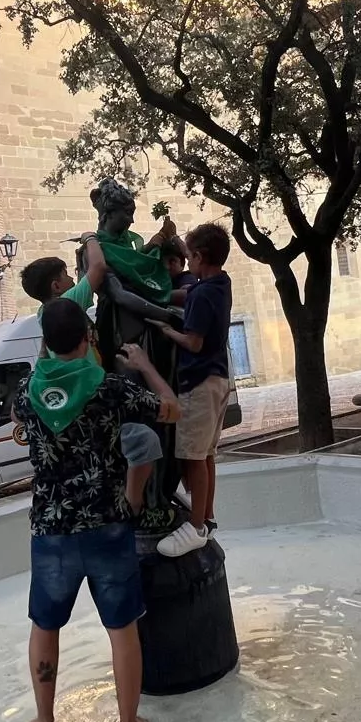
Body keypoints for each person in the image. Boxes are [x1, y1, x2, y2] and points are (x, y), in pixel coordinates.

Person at [13, 299, 180, 722]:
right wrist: (145, 364)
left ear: (45, 342)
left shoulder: (25, 391)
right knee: (121, 629)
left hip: (51, 530)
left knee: (45, 626)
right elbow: (170, 409)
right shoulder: (109, 388)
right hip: (107, 525)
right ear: (88, 340)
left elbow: (19, 421)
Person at [18, 241, 161, 513]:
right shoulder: (67, 304)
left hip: (76, 396)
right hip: (91, 390)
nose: (73, 279)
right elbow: (97, 268)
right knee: (145, 438)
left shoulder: (45, 315)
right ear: (56, 287)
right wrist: (90, 239)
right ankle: (134, 502)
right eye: (67, 276)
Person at [152, 223, 233, 558]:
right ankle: (208, 517)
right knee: (207, 455)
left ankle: (196, 526)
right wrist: (159, 294)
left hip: (197, 383)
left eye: (188, 254)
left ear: (199, 257)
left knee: (192, 457)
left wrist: (166, 329)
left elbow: (193, 342)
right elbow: (187, 292)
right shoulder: (220, 283)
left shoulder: (200, 294)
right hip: (219, 380)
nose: (185, 261)